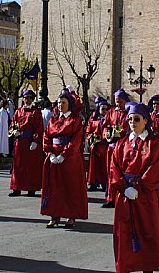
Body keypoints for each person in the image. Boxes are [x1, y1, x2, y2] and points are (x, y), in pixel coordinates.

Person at [110, 102, 159, 273]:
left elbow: (155, 169)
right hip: (125, 195)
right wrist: (123, 187)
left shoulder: (153, 144)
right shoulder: (122, 143)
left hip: (145, 196)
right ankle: (126, 266)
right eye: (130, 119)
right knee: (124, 233)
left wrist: (140, 188)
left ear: (145, 121)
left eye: (136, 119)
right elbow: (114, 167)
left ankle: (147, 267)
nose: (133, 123)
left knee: (147, 231)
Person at [41, 90, 88, 228]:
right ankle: (54, 216)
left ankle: (71, 216)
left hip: (69, 159)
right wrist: (49, 152)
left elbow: (76, 140)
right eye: (59, 102)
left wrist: (64, 155)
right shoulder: (54, 119)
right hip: (54, 156)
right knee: (54, 187)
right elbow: (47, 136)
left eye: (64, 102)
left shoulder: (75, 120)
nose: (61, 105)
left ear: (70, 104)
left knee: (70, 187)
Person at [9, 90, 44, 197]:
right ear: (23, 98)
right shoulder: (18, 111)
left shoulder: (36, 112)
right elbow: (12, 125)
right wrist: (13, 132)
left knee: (31, 166)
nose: (28, 99)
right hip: (20, 142)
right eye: (26, 97)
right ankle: (17, 188)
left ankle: (31, 189)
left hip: (30, 142)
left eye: (30, 98)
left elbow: (39, 128)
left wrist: (35, 140)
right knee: (18, 165)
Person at [103, 89, 131, 208]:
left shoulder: (129, 113)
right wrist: (108, 134)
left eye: (120, 102)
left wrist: (122, 134)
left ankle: (122, 196)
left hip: (124, 147)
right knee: (111, 172)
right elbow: (105, 125)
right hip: (111, 146)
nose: (118, 104)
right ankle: (110, 197)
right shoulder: (111, 112)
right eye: (116, 101)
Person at [86, 97, 110, 192]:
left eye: (106, 109)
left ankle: (104, 183)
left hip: (105, 145)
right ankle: (92, 183)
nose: (104, 111)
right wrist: (91, 138)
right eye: (102, 108)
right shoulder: (93, 118)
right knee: (93, 166)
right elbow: (88, 130)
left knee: (104, 165)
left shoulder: (109, 119)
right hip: (95, 146)